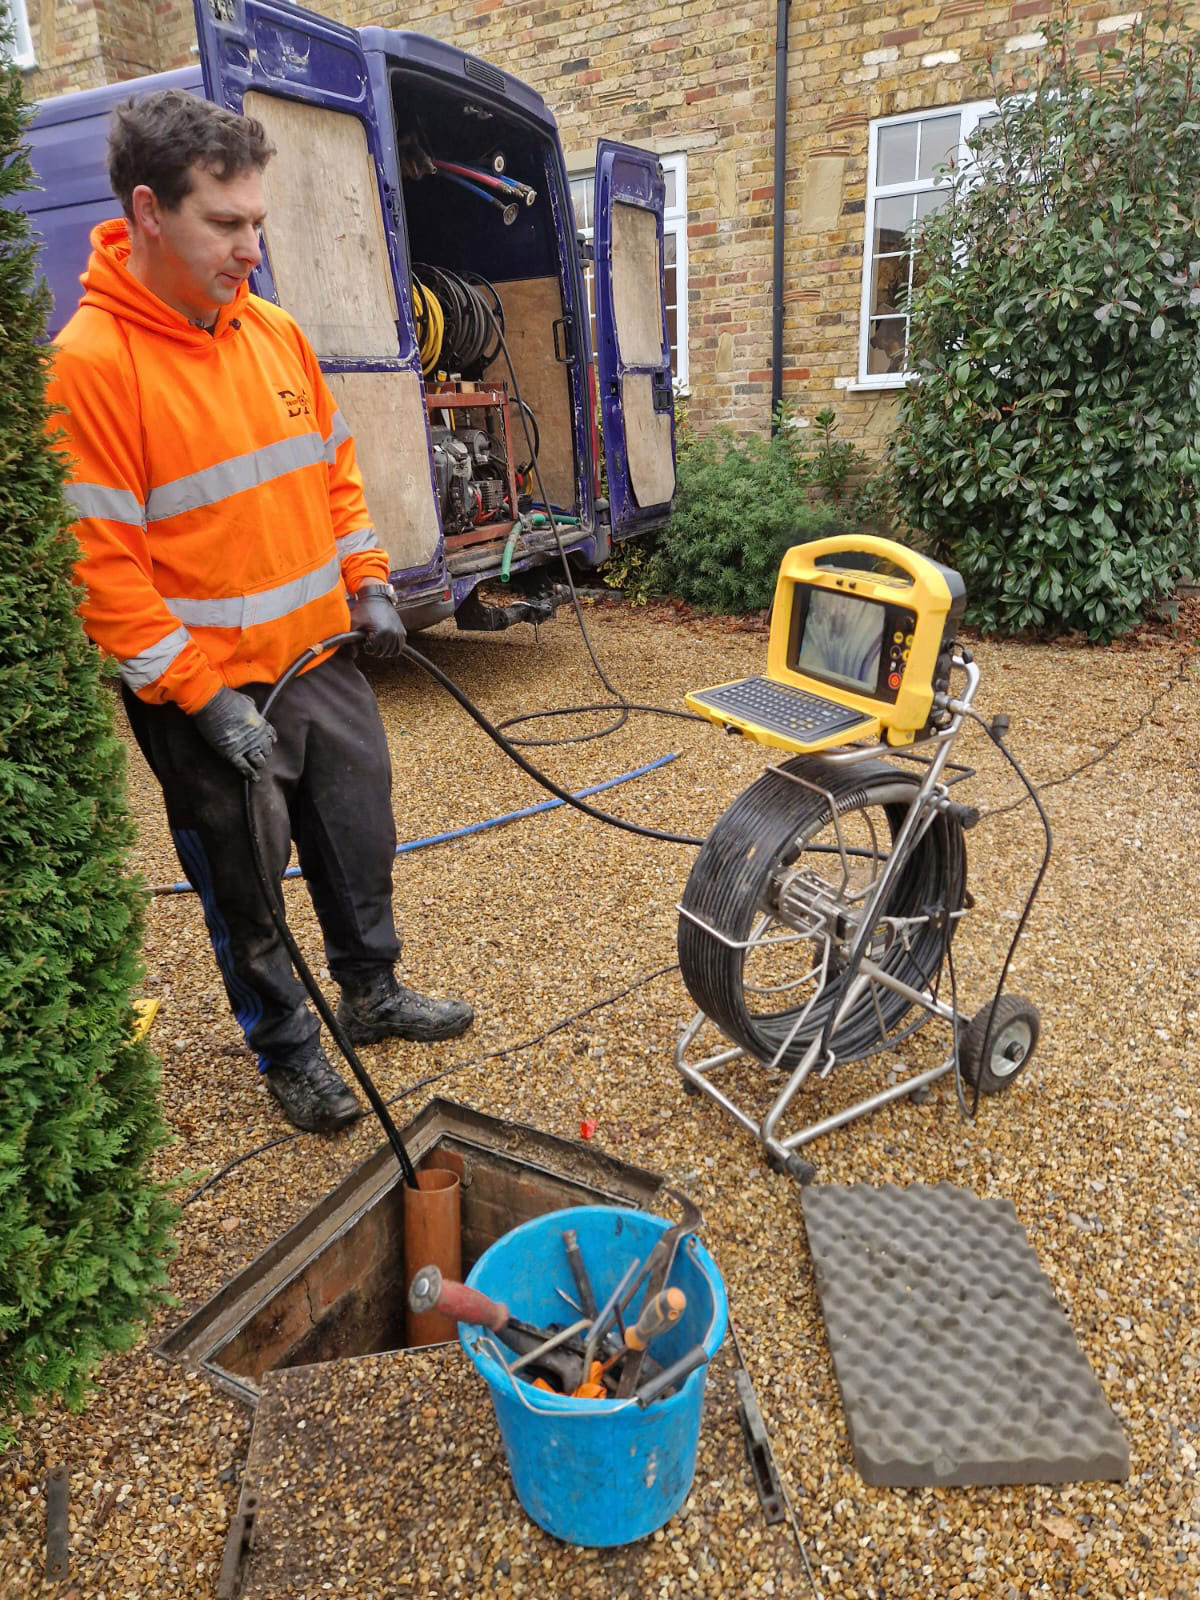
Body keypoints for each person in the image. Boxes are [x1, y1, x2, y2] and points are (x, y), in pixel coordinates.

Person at [46, 90, 473, 1135]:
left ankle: (370, 993)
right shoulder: (92, 366)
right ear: (149, 212)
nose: (252, 248)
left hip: (318, 657)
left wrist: (368, 580)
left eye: (258, 221)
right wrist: (201, 698)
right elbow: (103, 571)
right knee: (246, 885)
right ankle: (288, 1049)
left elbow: (333, 473)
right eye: (226, 223)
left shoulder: (272, 333)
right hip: (208, 697)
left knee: (358, 835)